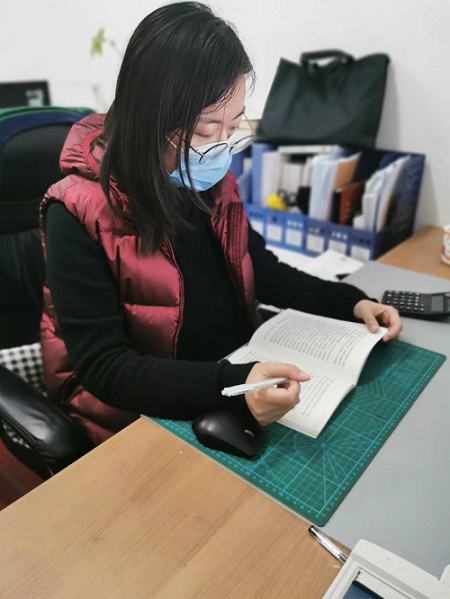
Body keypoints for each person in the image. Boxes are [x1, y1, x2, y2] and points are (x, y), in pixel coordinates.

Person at [41, 2, 402, 445]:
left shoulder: (206, 177)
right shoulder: (76, 210)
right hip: (138, 418)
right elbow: (105, 368)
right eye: (205, 129)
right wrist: (232, 386)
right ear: (148, 119)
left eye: (231, 127)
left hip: (234, 375)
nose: (219, 147)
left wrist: (348, 302)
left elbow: (261, 268)